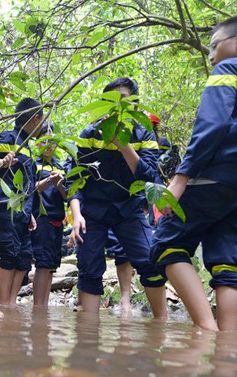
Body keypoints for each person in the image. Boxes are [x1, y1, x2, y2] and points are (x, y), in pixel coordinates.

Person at [152, 15, 237, 331]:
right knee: (230, 260)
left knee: (167, 244)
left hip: (211, 177)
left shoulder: (227, 70)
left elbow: (212, 126)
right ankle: (229, 345)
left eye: (214, 46)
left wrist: (180, 178)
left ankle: (207, 331)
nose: (211, 55)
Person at [68, 77, 167, 319]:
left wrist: (122, 144)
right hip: (93, 212)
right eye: (111, 102)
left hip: (129, 210)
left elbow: (149, 176)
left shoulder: (144, 134)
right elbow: (75, 178)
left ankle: (160, 327)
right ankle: (88, 337)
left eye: (124, 100)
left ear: (134, 105)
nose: (117, 107)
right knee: (89, 269)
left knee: (150, 263)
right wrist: (77, 215)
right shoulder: (90, 134)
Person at [0, 98, 41, 307]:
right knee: (9, 254)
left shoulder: (28, 149)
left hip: (22, 211)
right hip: (4, 207)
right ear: (35, 119)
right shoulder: (8, 138)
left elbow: (27, 185)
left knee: (23, 257)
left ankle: (10, 304)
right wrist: (2, 162)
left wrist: (30, 212)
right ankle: (4, 305)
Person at [30, 123, 67, 307]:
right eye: (45, 141)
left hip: (57, 218)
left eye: (52, 141)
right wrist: (48, 180)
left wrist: (59, 183)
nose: (49, 145)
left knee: (52, 265)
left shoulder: (61, 165)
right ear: (37, 143)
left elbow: (67, 195)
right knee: (42, 264)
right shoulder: (33, 163)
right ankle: (38, 306)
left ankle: (43, 306)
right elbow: (31, 189)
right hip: (41, 217)